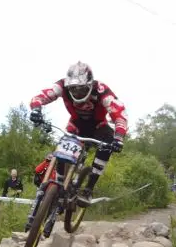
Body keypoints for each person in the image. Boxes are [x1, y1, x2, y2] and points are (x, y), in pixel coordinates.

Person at [28, 61, 127, 208]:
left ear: (90, 84)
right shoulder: (61, 86)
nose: (77, 93)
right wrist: (36, 109)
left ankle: (88, 188)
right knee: (61, 152)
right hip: (76, 126)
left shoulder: (101, 90)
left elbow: (119, 114)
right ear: (68, 85)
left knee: (108, 144)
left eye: (81, 89)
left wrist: (118, 138)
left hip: (99, 127)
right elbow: (42, 96)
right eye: (73, 89)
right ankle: (59, 184)